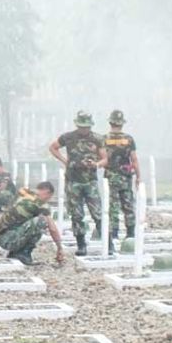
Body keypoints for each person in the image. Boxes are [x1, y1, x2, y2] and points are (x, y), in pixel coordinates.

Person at [48, 110, 107, 256]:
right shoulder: (68, 137)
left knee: (98, 213)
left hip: (90, 181)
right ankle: (81, 244)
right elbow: (53, 147)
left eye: (86, 127)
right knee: (76, 214)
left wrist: (96, 164)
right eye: (81, 126)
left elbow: (105, 159)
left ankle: (108, 242)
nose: (84, 129)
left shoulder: (98, 139)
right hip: (73, 181)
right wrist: (64, 160)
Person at [0, 182, 64, 266]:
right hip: (9, 240)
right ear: (47, 192)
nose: (47, 200)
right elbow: (52, 228)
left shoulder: (23, 193)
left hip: (1, 237)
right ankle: (24, 253)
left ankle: (15, 252)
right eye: (48, 198)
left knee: (28, 221)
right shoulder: (39, 203)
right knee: (41, 221)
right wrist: (59, 248)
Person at [103, 110, 139, 244]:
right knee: (128, 204)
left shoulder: (104, 139)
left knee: (113, 205)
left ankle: (114, 233)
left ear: (110, 122)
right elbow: (134, 159)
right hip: (126, 176)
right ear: (122, 123)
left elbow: (101, 158)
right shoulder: (128, 139)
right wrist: (139, 177)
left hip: (110, 177)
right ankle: (130, 232)